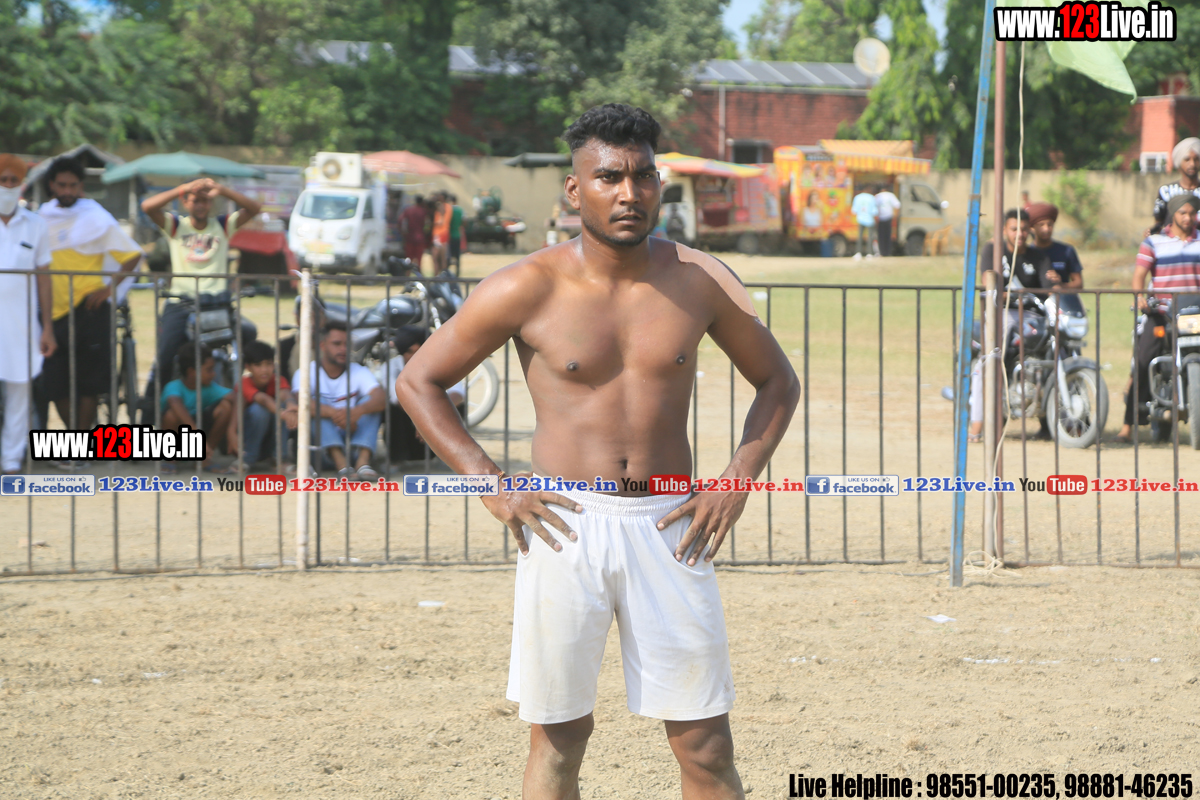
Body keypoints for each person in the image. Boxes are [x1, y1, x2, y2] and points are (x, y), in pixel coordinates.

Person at [396, 103, 799, 800]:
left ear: (659, 184)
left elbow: (778, 381)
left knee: (706, 746)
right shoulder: (527, 285)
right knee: (558, 742)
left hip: (673, 527)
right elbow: (417, 381)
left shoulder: (697, 280)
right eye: (609, 177)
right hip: (565, 525)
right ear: (575, 189)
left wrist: (738, 476)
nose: (629, 193)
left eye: (643, 176)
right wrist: (490, 482)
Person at [39, 157, 142, 435]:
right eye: (62, 185)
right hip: (52, 313)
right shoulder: (40, 219)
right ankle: (76, 437)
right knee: (55, 383)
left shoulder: (96, 218)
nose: (68, 191)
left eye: (73, 185)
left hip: (90, 310)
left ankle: (81, 442)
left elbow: (132, 256)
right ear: (52, 185)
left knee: (90, 383)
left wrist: (108, 289)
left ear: (81, 186)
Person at [139, 177, 261, 408]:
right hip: (181, 301)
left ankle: (239, 397)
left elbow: (254, 208)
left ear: (211, 203)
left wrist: (222, 190)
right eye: (195, 200)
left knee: (249, 334)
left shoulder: (222, 225)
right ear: (185, 202)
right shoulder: (176, 226)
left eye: (205, 201)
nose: (200, 205)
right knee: (165, 356)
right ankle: (151, 410)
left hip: (217, 303)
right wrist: (182, 188)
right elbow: (147, 207)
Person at [969, 208, 1061, 442]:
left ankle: (1054, 418)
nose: (1020, 234)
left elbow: (1048, 287)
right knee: (989, 360)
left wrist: (1057, 287)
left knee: (1055, 343)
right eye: (1014, 229)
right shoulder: (993, 251)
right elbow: (987, 282)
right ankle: (977, 424)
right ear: (1004, 230)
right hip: (1002, 313)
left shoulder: (1038, 256)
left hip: (1032, 316)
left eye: (1024, 229)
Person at [1117, 193, 1200, 442]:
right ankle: (1128, 426)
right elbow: (1139, 276)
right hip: (1162, 313)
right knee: (1143, 361)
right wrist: (1140, 297)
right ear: (1173, 214)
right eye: (1182, 213)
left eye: (1192, 213)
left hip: (1194, 313)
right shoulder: (1153, 242)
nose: (1188, 218)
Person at [0, 154, 54, 474]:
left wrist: (47, 327)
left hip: (21, 322)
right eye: (2, 180)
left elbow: (44, 279)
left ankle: (10, 460)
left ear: (22, 184)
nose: (8, 186)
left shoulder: (36, 225)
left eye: (13, 180)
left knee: (20, 390)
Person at [284, 322, 385, 480]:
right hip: (321, 452)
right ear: (323, 346)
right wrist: (341, 415)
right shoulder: (306, 372)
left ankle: (363, 464)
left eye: (347, 344)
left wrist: (357, 412)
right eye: (337, 344)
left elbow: (381, 398)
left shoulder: (358, 371)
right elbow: (302, 403)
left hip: (354, 445)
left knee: (371, 402)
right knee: (314, 401)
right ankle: (341, 465)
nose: (343, 349)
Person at [383, 325, 466, 462]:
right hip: (407, 426)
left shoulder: (441, 364)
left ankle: (450, 457)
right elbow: (397, 399)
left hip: (437, 426)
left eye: (419, 351)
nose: (415, 357)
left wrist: (430, 418)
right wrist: (421, 419)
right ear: (402, 352)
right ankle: (397, 459)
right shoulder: (391, 366)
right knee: (392, 410)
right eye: (410, 352)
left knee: (456, 406)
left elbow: (458, 394)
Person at [160, 343, 235, 471]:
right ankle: (170, 459)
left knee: (226, 407)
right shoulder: (173, 387)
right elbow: (175, 402)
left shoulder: (209, 387)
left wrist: (232, 431)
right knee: (171, 415)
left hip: (199, 442)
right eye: (209, 370)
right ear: (192, 372)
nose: (213, 374)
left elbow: (236, 398)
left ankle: (204, 459)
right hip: (179, 439)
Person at [235, 340, 291, 467]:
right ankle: (246, 460)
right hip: (245, 441)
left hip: (268, 440)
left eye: (268, 364)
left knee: (284, 406)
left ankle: (279, 459)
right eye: (258, 365)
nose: (264, 370)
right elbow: (263, 399)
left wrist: (291, 405)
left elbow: (285, 393)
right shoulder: (244, 383)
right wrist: (283, 414)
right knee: (260, 410)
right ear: (248, 367)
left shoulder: (277, 379)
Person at [1026, 202, 1083, 289]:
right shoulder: (1027, 253)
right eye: (1041, 225)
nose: (1046, 229)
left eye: (1050, 225)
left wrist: (1061, 286)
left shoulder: (1067, 251)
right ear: (1032, 228)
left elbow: (1079, 283)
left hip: (1062, 297)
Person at [1150, 137, 1200, 235]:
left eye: (1196, 159)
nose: (1192, 164)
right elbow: (1158, 223)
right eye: (1187, 159)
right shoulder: (1166, 191)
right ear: (1179, 162)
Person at [400, 195, 427, 268]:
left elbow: (401, 221)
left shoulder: (409, 210)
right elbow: (427, 225)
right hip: (420, 238)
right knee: (419, 260)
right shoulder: (423, 211)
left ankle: (408, 273)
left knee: (408, 259)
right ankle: (418, 273)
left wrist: (403, 233)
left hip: (410, 238)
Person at [874, 184, 901, 257]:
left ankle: (882, 252)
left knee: (881, 236)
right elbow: (897, 205)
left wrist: (876, 218)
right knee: (888, 236)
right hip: (889, 218)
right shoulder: (891, 195)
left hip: (880, 218)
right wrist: (895, 216)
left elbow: (875, 207)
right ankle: (887, 252)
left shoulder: (878, 196)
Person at [851, 185, 877, 258]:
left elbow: (854, 210)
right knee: (870, 237)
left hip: (860, 219)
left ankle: (858, 252)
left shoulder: (857, 197)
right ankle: (869, 253)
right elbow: (874, 211)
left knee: (860, 237)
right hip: (870, 220)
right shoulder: (871, 198)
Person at [430, 192, 452, 274]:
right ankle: (438, 275)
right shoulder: (444, 207)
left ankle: (441, 275)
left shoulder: (444, 207)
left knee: (439, 258)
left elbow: (441, 221)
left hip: (441, 234)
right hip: (439, 234)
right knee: (437, 258)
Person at [447, 194, 465, 275]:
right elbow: (464, 221)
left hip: (450, 235)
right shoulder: (460, 210)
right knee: (457, 255)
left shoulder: (449, 210)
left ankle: (447, 271)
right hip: (458, 235)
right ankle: (457, 272)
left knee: (449, 255)